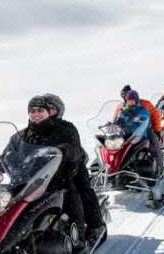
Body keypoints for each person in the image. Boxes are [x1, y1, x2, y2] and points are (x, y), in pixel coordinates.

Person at [16, 95, 87, 243]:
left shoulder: (65, 129)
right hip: (28, 181)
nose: (36, 114)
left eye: (40, 110)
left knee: (72, 194)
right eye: (32, 110)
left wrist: (61, 151)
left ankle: (79, 236)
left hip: (59, 178)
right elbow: (9, 153)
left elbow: (73, 148)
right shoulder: (21, 135)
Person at [42, 93, 106, 245]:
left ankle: (92, 229)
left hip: (70, 168)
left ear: (58, 111)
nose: (47, 112)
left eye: (51, 109)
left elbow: (73, 148)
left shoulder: (67, 128)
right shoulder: (33, 130)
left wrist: (66, 154)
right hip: (43, 174)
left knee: (79, 191)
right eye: (45, 109)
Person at [114, 85, 164, 172]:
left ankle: (160, 167)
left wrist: (157, 130)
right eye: (124, 96)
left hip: (146, 128)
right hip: (126, 131)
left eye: (127, 94)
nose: (126, 97)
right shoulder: (121, 106)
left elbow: (155, 116)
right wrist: (114, 125)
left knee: (154, 143)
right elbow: (116, 118)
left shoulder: (145, 103)